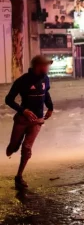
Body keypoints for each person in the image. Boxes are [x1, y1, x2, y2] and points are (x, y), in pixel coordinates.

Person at [5, 55, 54, 189]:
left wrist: (50, 107)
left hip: (37, 120)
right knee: (13, 147)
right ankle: (13, 146)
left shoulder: (46, 79)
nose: (47, 68)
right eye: (45, 66)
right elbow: (8, 99)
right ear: (38, 66)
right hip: (22, 120)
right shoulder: (22, 81)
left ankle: (19, 176)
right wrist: (23, 110)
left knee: (26, 148)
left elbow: (46, 93)